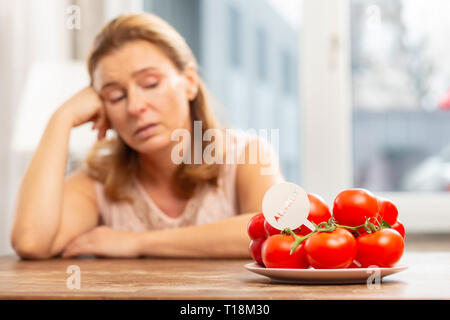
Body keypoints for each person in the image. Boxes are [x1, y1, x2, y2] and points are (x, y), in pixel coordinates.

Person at [10, 13, 284, 260]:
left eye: (151, 83)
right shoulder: (99, 179)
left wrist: (137, 243)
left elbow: (273, 230)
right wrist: (62, 119)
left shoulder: (247, 153)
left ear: (189, 82)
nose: (135, 107)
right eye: (115, 96)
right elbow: (32, 242)